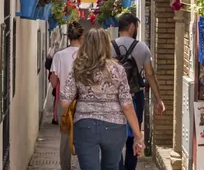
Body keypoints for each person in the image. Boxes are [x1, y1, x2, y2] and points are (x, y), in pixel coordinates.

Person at [60, 28, 145, 170]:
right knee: (111, 166)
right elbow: (127, 105)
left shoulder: (78, 67)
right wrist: (138, 136)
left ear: (86, 44)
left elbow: (64, 102)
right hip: (114, 128)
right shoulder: (118, 69)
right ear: (107, 45)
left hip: (85, 126)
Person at [112, 13, 165, 170]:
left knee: (115, 137)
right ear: (132, 27)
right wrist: (159, 99)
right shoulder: (142, 47)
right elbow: (150, 74)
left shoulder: (109, 46)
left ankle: (118, 166)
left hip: (113, 99)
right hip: (135, 98)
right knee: (134, 135)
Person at [50, 22, 84, 169]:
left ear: (68, 36)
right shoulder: (87, 54)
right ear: (82, 36)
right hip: (84, 103)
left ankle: (66, 167)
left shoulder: (59, 55)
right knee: (84, 138)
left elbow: (53, 82)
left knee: (65, 140)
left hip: (65, 103)